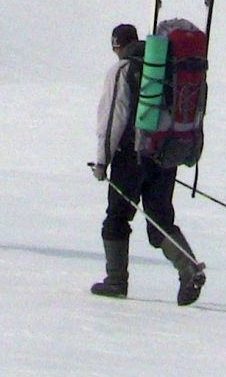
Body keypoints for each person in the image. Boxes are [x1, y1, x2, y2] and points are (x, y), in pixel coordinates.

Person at [88, 22, 206, 304]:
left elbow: (112, 117)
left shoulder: (122, 70)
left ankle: (116, 281)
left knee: (117, 218)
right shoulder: (166, 69)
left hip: (131, 155)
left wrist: (102, 162)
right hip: (164, 151)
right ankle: (189, 268)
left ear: (117, 45)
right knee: (160, 219)